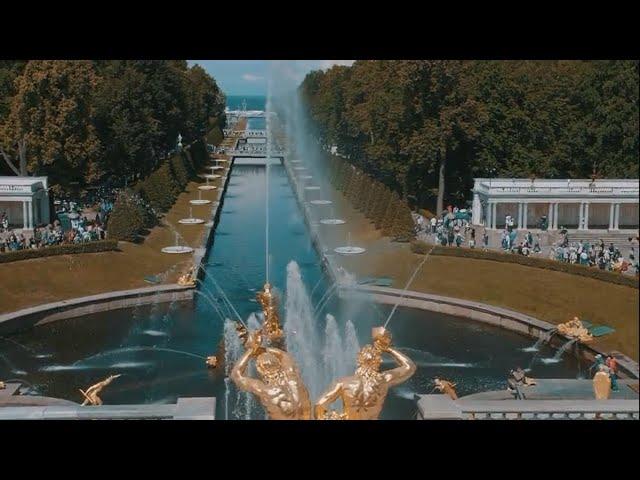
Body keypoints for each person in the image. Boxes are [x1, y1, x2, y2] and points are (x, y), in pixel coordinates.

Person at [315, 327, 416, 420]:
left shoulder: (343, 383)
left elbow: (319, 405)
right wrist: (388, 349)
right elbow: (410, 367)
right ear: (378, 362)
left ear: (359, 360)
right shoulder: (384, 380)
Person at [231, 329, 311, 420]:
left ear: (260, 369)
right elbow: (283, 355)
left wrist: (252, 349)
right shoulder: (292, 375)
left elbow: (236, 375)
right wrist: (263, 349)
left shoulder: (265, 390)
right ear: (279, 363)